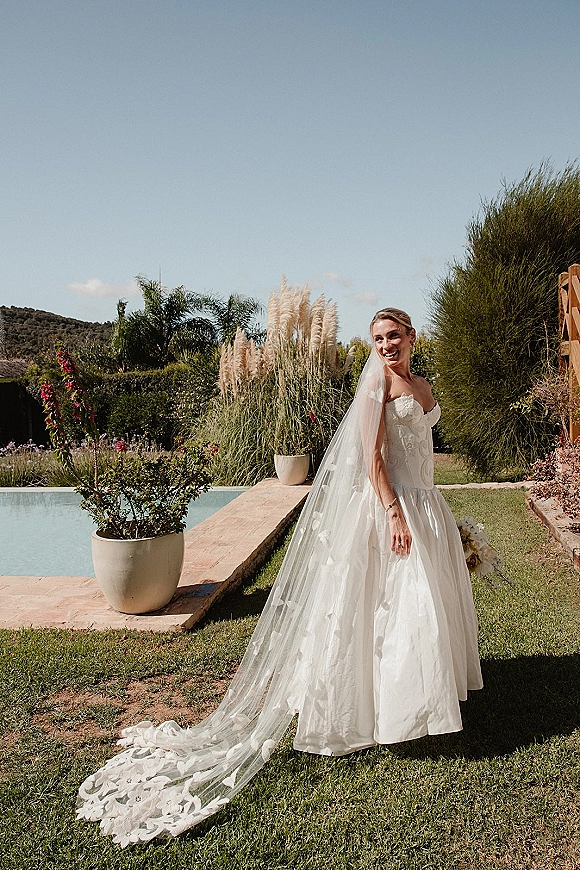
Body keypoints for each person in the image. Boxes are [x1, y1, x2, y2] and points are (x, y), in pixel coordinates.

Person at [77, 308, 483, 846]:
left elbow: (422, 452)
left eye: (394, 337)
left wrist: (428, 511)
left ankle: (422, 692)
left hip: (424, 503)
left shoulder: (420, 383)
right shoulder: (375, 389)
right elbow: (373, 460)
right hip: (393, 509)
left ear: (412, 337)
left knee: (422, 606)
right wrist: (392, 512)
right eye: (378, 338)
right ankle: (386, 706)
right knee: (388, 607)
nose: (387, 345)